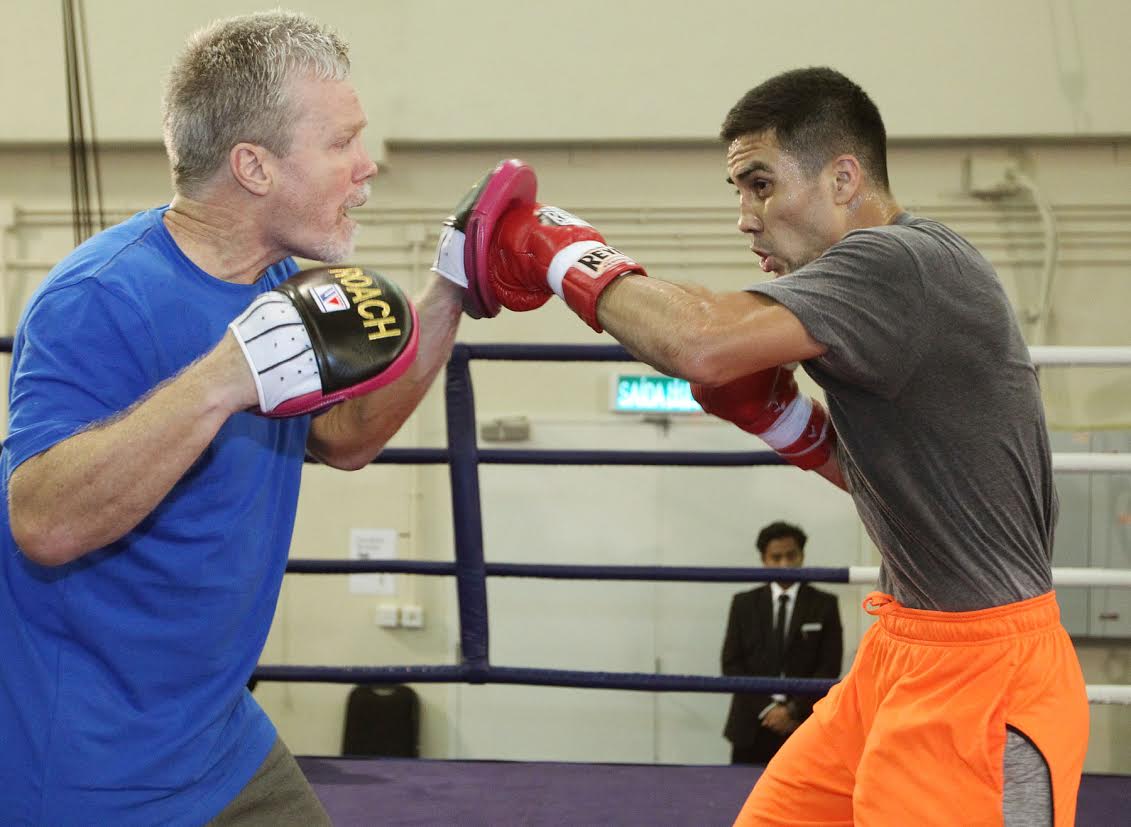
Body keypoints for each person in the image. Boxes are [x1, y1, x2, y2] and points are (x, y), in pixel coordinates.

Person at [441, 68, 1090, 826]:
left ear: (843, 177)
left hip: (982, 673)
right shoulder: (884, 287)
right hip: (902, 648)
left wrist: (559, 251)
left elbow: (701, 344)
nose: (745, 217)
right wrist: (785, 422)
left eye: (759, 184)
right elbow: (903, 480)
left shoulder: (895, 264)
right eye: (738, 192)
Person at [0, 12, 467, 826]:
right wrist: (223, 375)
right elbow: (42, 519)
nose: (368, 165)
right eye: (342, 142)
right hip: (87, 763)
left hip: (218, 742)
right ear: (253, 165)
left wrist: (452, 290)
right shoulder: (99, 297)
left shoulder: (278, 279)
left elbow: (345, 435)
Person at [721, 521, 842, 765]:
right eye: (776, 557)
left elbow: (828, 667)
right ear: (764, 560)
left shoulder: (824, 604)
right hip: (751, 725)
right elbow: (732, 664)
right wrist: (768, 710)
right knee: (741, 796)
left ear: (802, 556)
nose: (785, 564)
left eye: (791, 555)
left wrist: (792, 711)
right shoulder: (744, 603)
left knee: (802, 800)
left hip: (803, 724)